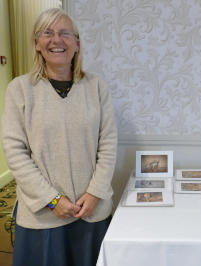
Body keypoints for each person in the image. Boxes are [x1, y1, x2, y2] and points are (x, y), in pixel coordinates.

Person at [1, 8, 117, 266]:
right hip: (42, 216)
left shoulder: (96, 87)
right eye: (47, 33)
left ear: (77, 43)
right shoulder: (19, 90)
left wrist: (96, 193)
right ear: (37, 44)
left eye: (65, 33)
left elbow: (108, 144)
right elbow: (16, 154)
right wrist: (52, 200)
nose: (57, 40)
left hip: (91, 211)